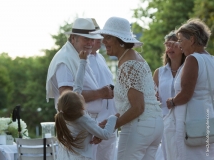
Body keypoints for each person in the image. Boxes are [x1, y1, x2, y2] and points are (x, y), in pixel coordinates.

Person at [91, 16, 163, 160]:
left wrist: (111, 127)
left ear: (121, 40)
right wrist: (110, 123)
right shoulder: (136, 58)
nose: (103, 41)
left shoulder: (128, 65)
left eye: (108, 37)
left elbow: (138, 107)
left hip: (139, 127)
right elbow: (133, 104)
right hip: (155, 125)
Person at [46, 18, 114, 159]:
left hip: (89, 125)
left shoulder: (80, 56)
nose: (90, 42)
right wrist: (100, 94)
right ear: (73, 38)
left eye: (92, 39)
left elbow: (76, 88)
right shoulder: (65, 60)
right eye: (86, 39)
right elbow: (68, 97)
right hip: (79, 126)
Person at [164, 18, 214, 159]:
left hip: (190, 122)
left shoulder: (193, 59)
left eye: (180, 41)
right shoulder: (211, 60)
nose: (179, 45)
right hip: (208, 120)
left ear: (191, 40)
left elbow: (186, 94)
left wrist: (172, 101)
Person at [55, 49, 118, 160]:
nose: (81, 94)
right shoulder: (83, 119)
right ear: (81, 106)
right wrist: (113, 118)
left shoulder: (67, 114)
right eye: (80, 96)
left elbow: (78, 84)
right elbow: (105, 135)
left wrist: (83, 61)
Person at [87, 18, 117, 160]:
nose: (101, 39)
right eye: (97, 36)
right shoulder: (81, 60)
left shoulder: (101, 58)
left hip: (110, 120)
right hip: (95, 122)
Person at [153, 31, 185, 160]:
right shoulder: (159, 73)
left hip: (185, 121)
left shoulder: (189, 69)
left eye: (173, 44)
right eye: (168, 46)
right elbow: (150, 96)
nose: (170, 49)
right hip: (165, 123)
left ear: (181, 47)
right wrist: (153, 96)